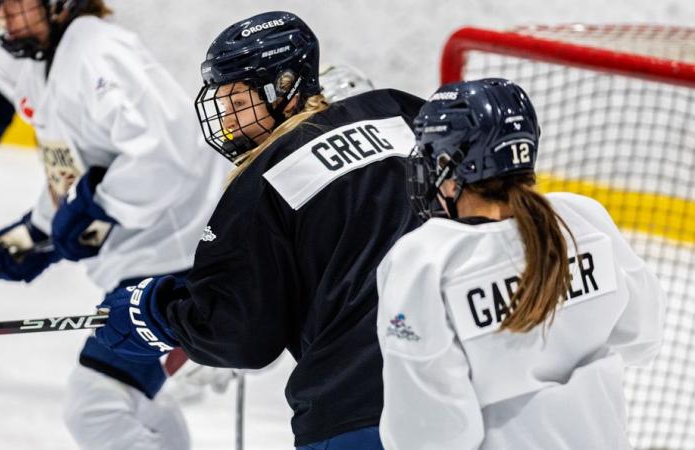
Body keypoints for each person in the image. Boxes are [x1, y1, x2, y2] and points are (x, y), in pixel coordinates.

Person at [94, 10, 425, 450]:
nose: (228, 121)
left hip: (355, 408)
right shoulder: (402, 112)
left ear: (285, 87)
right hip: (461, 392)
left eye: (238, 102)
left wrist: (158, 314)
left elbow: (239, 336)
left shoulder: (264, 181)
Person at [376, 78, 665, 449]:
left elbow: (431, 432)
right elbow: (643, 338)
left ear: (449, 166)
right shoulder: (583, 220)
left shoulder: (426, 260)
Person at [0, 1, 230, 448]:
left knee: (97, 406)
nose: (4, 19)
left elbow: (164, 155)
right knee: (133, 401)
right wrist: (37, 232)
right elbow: (73, 167)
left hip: (178, 261)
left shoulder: (98, 53)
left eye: (15, 6)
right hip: (147, 259)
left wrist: (96, 215)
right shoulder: (42, 59)